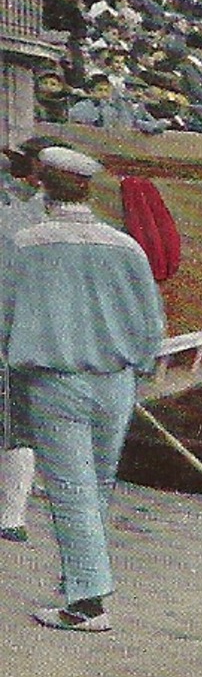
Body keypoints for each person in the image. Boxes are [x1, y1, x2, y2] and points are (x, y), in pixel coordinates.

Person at [0, 147, 164, 631]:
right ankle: (81, 580)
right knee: (97, 486)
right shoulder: (126, 247)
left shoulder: (26, 243)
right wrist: (137, 367)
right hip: (116, 382)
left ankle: (87, 603)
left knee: (72, 491)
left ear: (42, 187)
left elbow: (5, 316)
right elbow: (151, 324)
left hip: (56, 381)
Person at [0, 136, 61, 544]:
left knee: (18, 425)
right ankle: (12, 514)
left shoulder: (33, 215)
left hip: (21, 333)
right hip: (31, 332)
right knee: (19, 424)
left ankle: (12, 514)